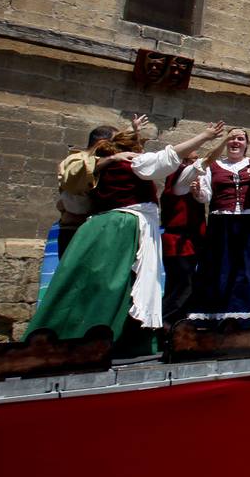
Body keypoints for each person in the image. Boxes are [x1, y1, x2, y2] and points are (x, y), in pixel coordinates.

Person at [28, 118, 224, 355]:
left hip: (104, 227)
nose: (140, 147)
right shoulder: (125, 162)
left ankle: (101, 335)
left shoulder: (107, 163)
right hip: (120, 227)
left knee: (111, 283)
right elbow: (167, 157)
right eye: (136, 143)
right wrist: (204, 136)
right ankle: (93, 338)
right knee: (114, 284)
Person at [187, 128, 250, 326]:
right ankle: (212, 319)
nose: (235, 142)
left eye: (240, 139)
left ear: (246, 144)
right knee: (218, 269)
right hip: (221, 223)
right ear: (225, 142)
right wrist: (197, 193)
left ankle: (243, 320)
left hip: (248, 223)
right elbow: (206, 196)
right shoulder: (213, 166)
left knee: (246, 271)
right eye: (231, 138)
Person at [55, 123, 119, 258]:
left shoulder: (105, 162)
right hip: (74, 230)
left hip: (95, 230)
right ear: (102, 143)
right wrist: (112, 158)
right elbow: (78, 174)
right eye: (115, 142)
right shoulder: (76, 159)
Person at [159, 160, 207, 325]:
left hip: (191, 241)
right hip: (178, 241)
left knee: (184, 285)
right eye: (189, 160)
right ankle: (164, 322)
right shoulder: (177, 182)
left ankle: (177, 323)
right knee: (182, 286)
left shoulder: (193, 189)